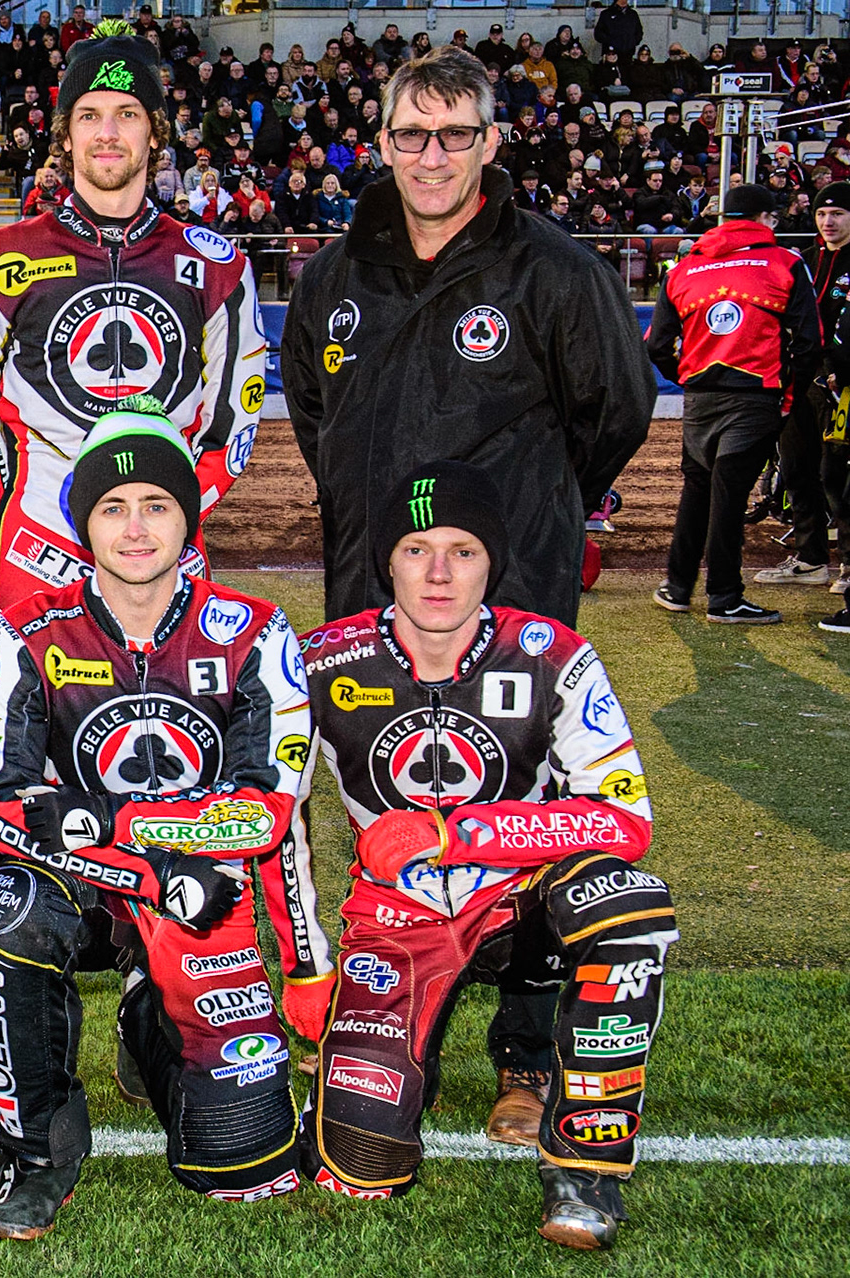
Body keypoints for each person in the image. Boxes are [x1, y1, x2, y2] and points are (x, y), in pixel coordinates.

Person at [280, 46, 655, 1148]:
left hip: (519, 596)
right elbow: (315, 419)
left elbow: (616, 412)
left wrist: (531, 517)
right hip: (371, 599)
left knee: (527, 817)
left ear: (491, 141)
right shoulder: (335, 272)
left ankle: (529, 1061)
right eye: (411, 135)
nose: (431, 156)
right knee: (385, 812)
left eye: (454, 135)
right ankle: (400, 1030)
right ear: (382, 141)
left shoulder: (551, 267)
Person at [294, 461, 673, 1252]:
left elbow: (624, 818)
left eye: (463, 551)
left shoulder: (553, 654)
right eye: (416, 549)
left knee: (626, 902)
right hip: (397, 919)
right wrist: (309, 963)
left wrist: (453, 835)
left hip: (518, 904)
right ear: (386, 559)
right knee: (357, 1165)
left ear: (491, 562)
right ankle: (399, 1061)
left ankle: (585, 1167)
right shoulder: (319, 664)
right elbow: (277, 820)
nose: (438, 572)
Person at [0, 401, 315, 1236]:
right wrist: (148, 860)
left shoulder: (256, 632)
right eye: (112, 508)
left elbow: (263, 815)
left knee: (245, 1164)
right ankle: (38, 1151)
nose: (134, 527)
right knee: (7, 902)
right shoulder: (24, 629)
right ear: (84, 523)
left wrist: (96, 820)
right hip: (90, 887)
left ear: (187, 519)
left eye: (156, 504)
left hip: (199, 895)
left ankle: (145, 1014)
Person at [0, 19, 266, 643]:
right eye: (88, 115)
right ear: (64, 133)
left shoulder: (219, 269)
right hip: (34, 546)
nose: (108, 133)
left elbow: (234, 421)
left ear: (155, 130)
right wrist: (0, 526)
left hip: (165, 551)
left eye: (127, 113)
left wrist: (163, 520)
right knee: (18, 735)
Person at [647, 183, 821, 625]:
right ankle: (725, 596)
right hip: (755, 394)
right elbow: (808, 341)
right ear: (765, 219)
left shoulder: (684, 269)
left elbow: (656, 346)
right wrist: (789, 396)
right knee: (728, 497)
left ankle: (678, 586)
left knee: (697, 490)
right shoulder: (785, 263)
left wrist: (688, 377)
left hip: (700, 396)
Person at [759, 180, 850, 602]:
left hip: (842, 386)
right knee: (796, 468)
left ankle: (848, 564)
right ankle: (811, 558)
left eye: (838, 214)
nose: (828, 221)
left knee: (839, 476)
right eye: (821, 214)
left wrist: (840, 369)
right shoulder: (804, 262)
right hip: (797, 382)